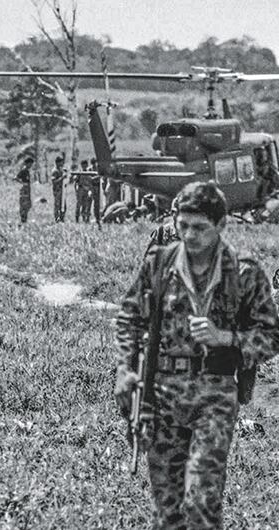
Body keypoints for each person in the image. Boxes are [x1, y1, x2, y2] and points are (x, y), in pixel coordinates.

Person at [114, 182, 279, 529]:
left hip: (215, 394)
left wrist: (228, 339)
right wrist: (125, 369)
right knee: (167, 508)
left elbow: (271, 336)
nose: (189, 235)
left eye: (200, 227)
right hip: (161, 394)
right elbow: (130, 316)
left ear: (221, 225)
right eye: (182, 225)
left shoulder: (245, 273)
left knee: (201, 501)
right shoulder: (159, 264)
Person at [16, 157, 33, 223]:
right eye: (30, 164)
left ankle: (24, 218)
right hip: (24, 190)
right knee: (24, 205)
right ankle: (23, 219)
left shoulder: (27, 171)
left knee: (28, 205)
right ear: (27, 163)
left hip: (27, 189)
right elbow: (16, 177)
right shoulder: (23, 170)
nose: (31, 166)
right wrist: (23, 183)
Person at [51, 155, 67, 222]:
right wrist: (62, 178)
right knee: (57, 205)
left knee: (63, 205)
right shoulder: (55, 171)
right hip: (57, 190)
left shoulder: (61, 169)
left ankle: (62, 218)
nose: (62, 164)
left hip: (62, 189)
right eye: (61, 162)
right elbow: (54, 181)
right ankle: (57, 218)